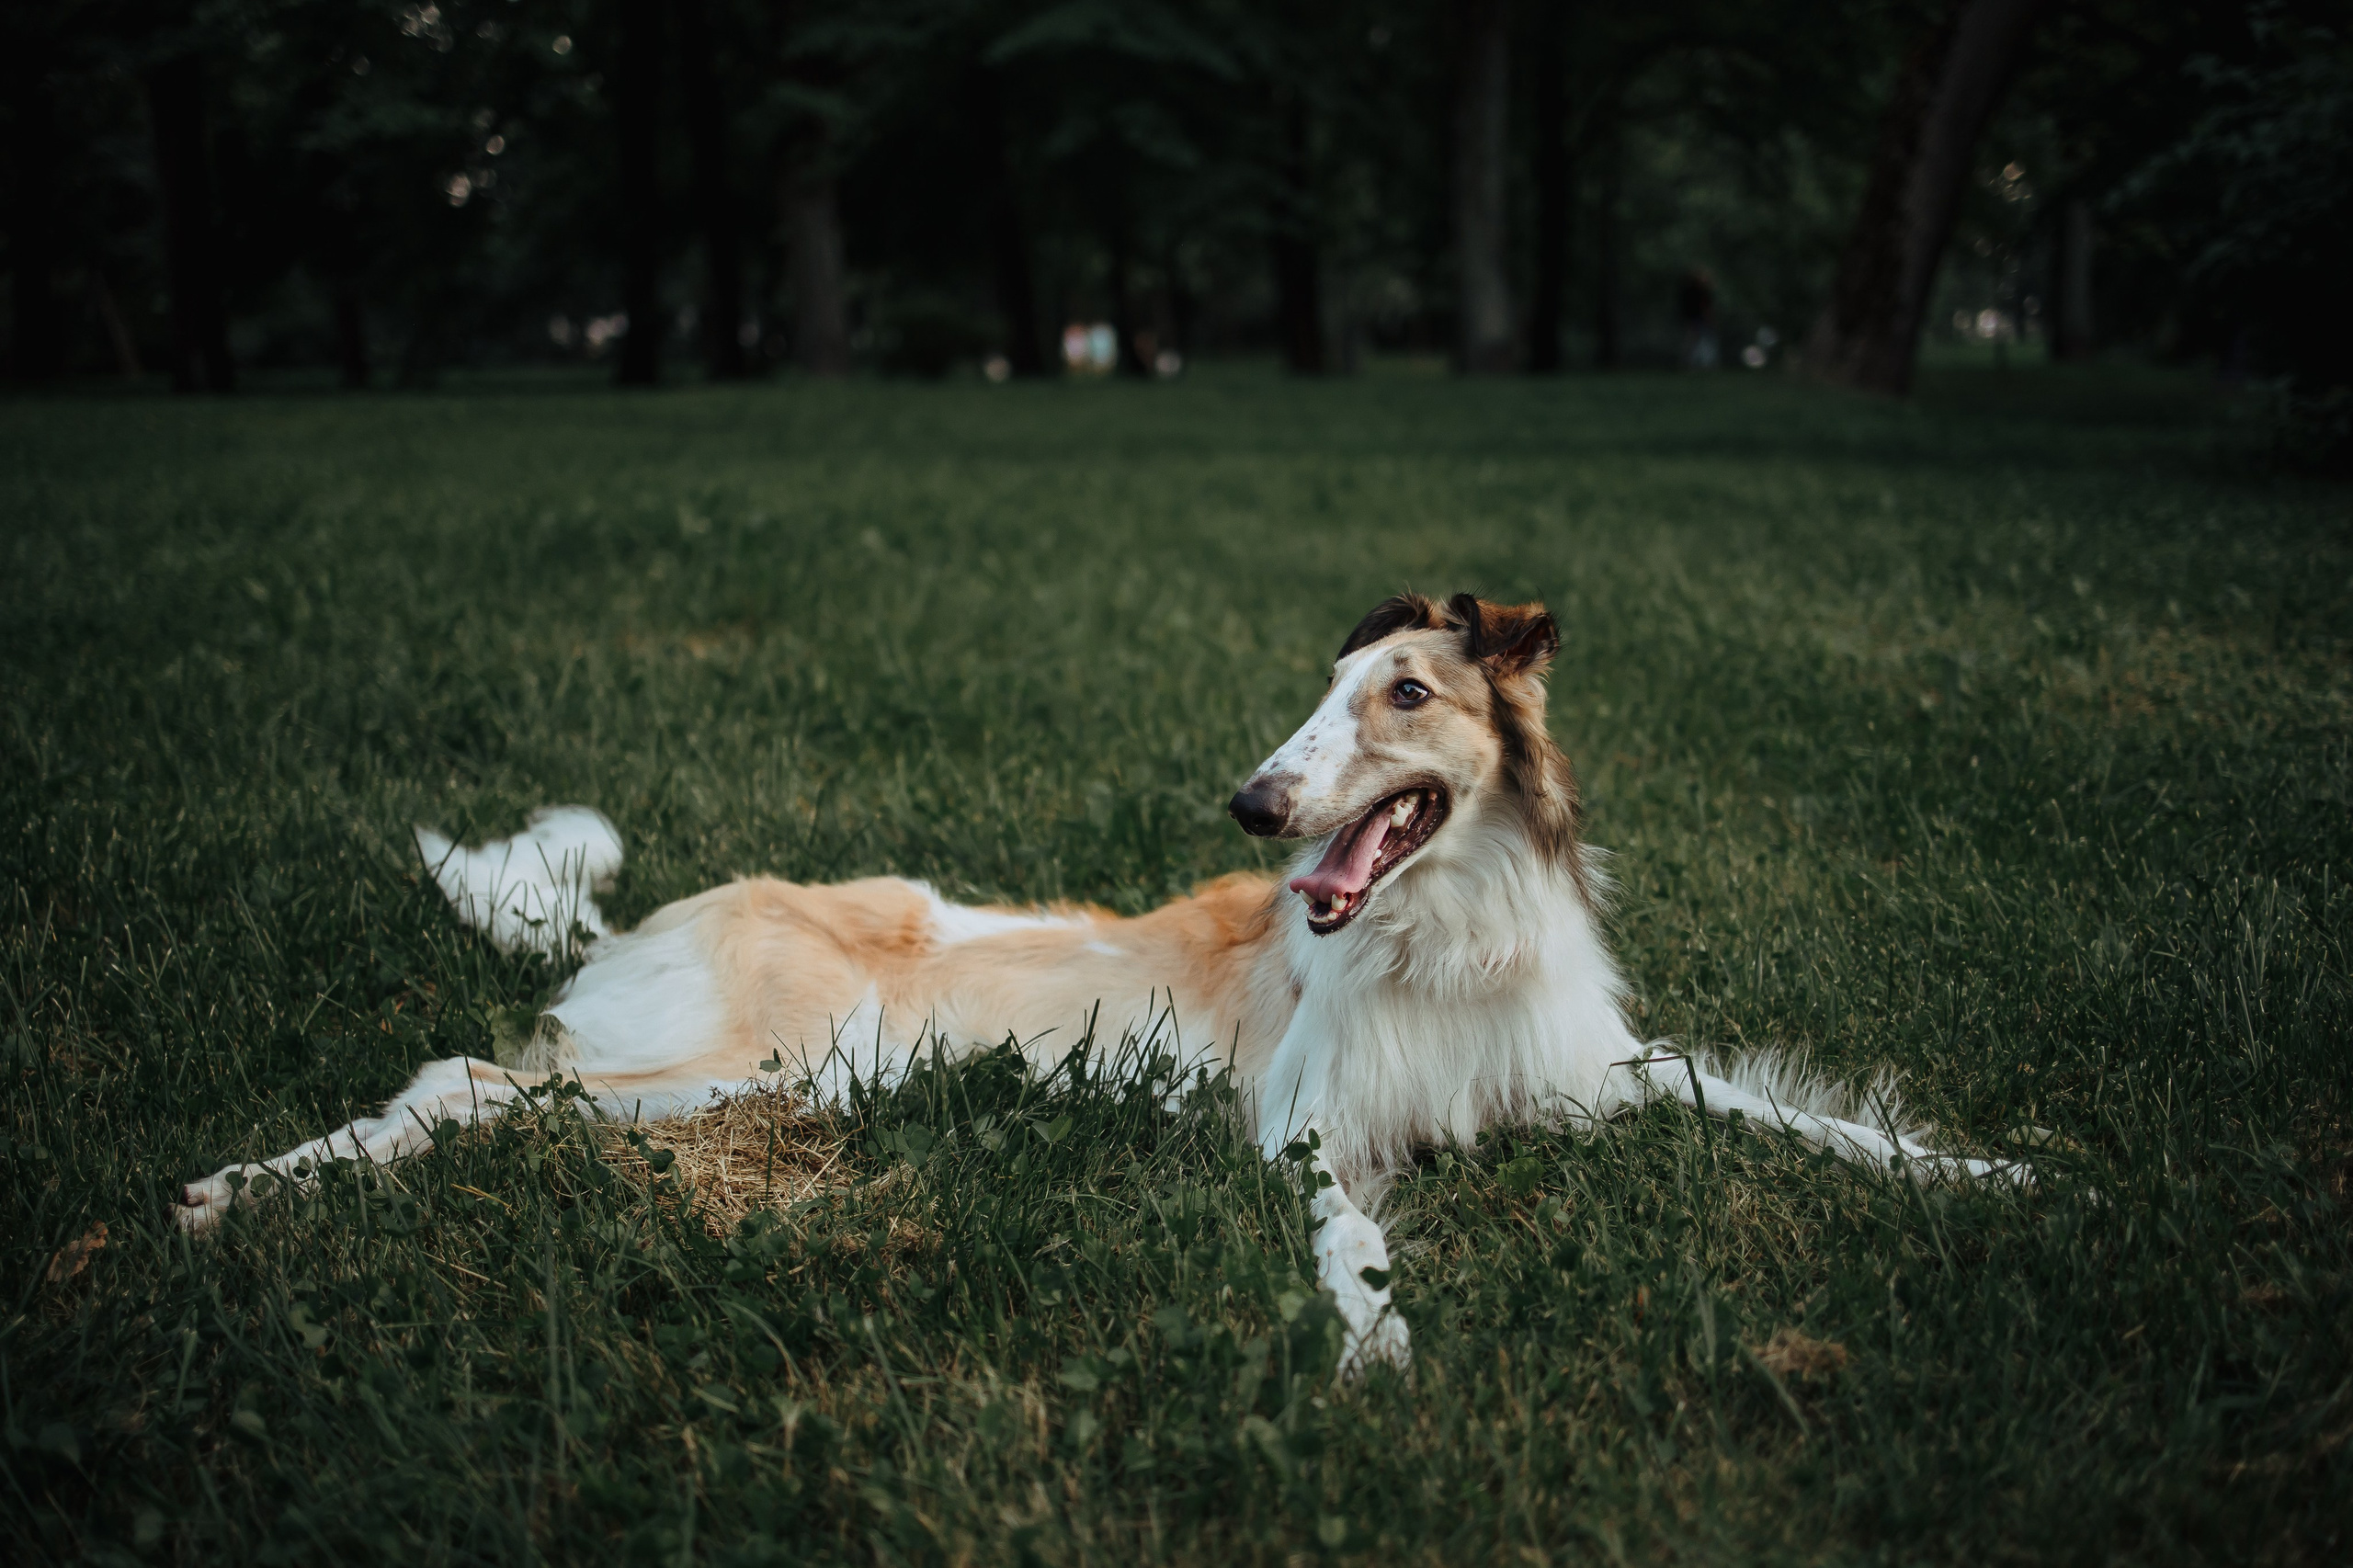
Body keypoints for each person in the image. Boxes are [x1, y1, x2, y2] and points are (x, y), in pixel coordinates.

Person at [1678, 267, 1720, 369]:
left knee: (1697, 341)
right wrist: (1710, 319)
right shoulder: (1697, 292)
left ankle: (1696, 364)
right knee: (1696, 341)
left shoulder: (1694, 291)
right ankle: (1692, 364)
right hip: (1697, 319)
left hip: (1697, 319)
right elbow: (1705, 308)